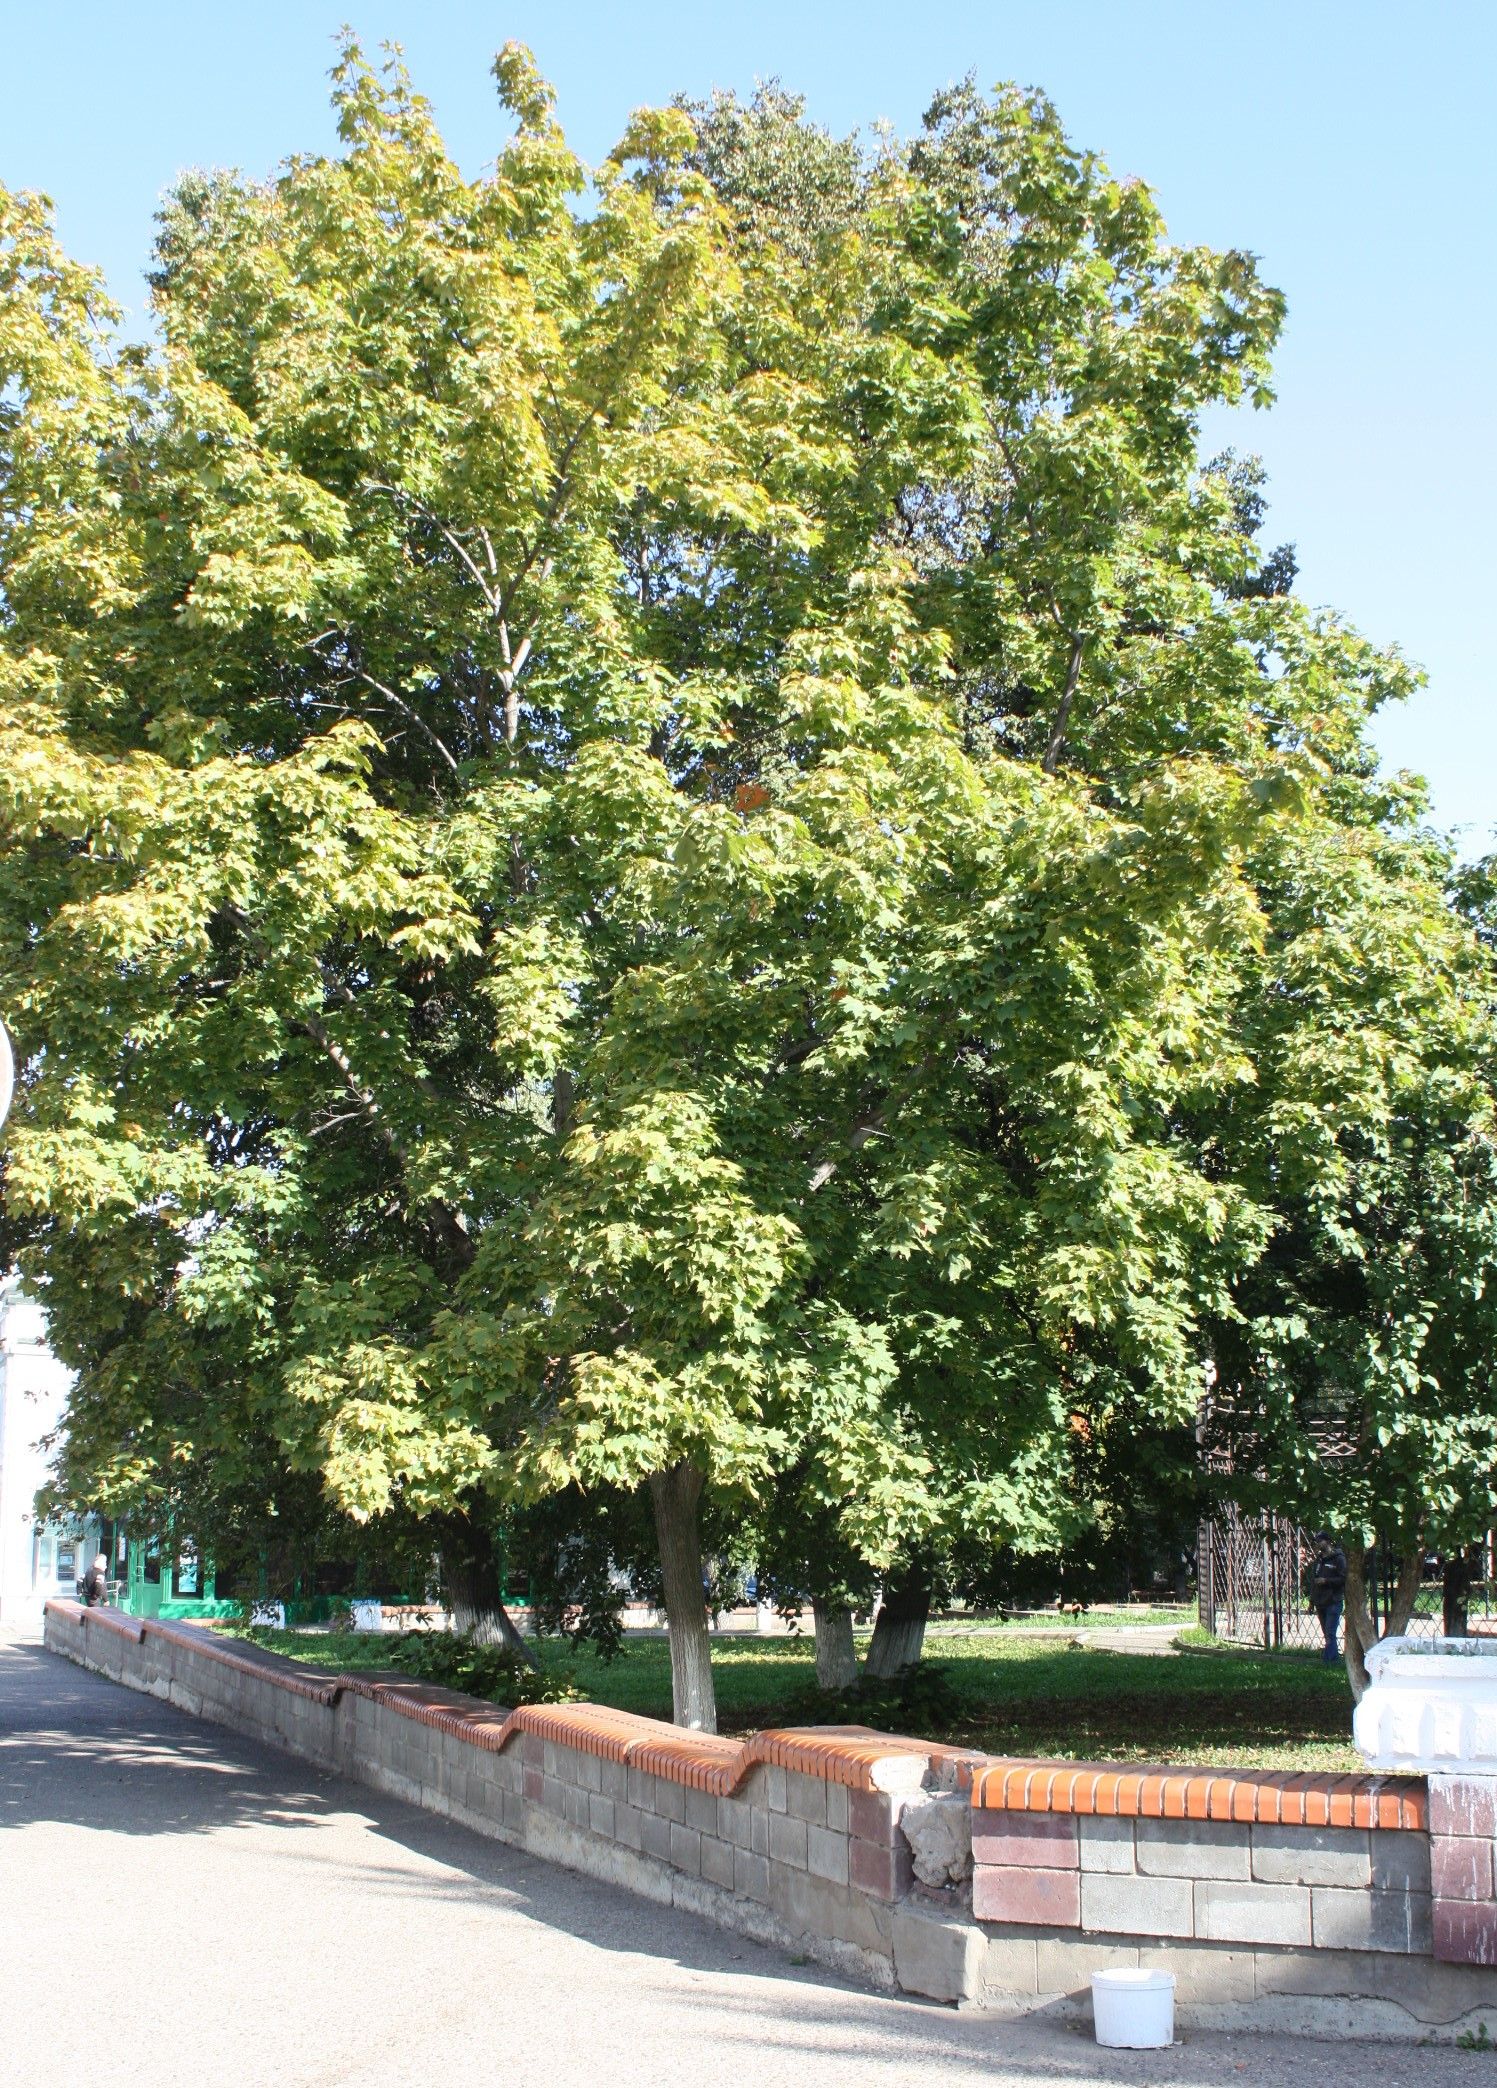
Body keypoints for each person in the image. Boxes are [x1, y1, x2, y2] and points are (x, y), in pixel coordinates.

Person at [1309, 1533, 1346, 1665]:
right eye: (1316, 1541)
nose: (1318, 1543)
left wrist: (1326, 1581)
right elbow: (1313, 1582)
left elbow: (1343, 1579)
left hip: (1333, 1601)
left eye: (1320, 1541)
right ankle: (1333, 1659)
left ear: (1328, 1541)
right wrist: (1311, 1601)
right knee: (1327, 1633)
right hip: (1320, 1601)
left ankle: (1328, 1661)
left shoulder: (1338, 1559)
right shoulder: (1318, 1560)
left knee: (1330, 1632)